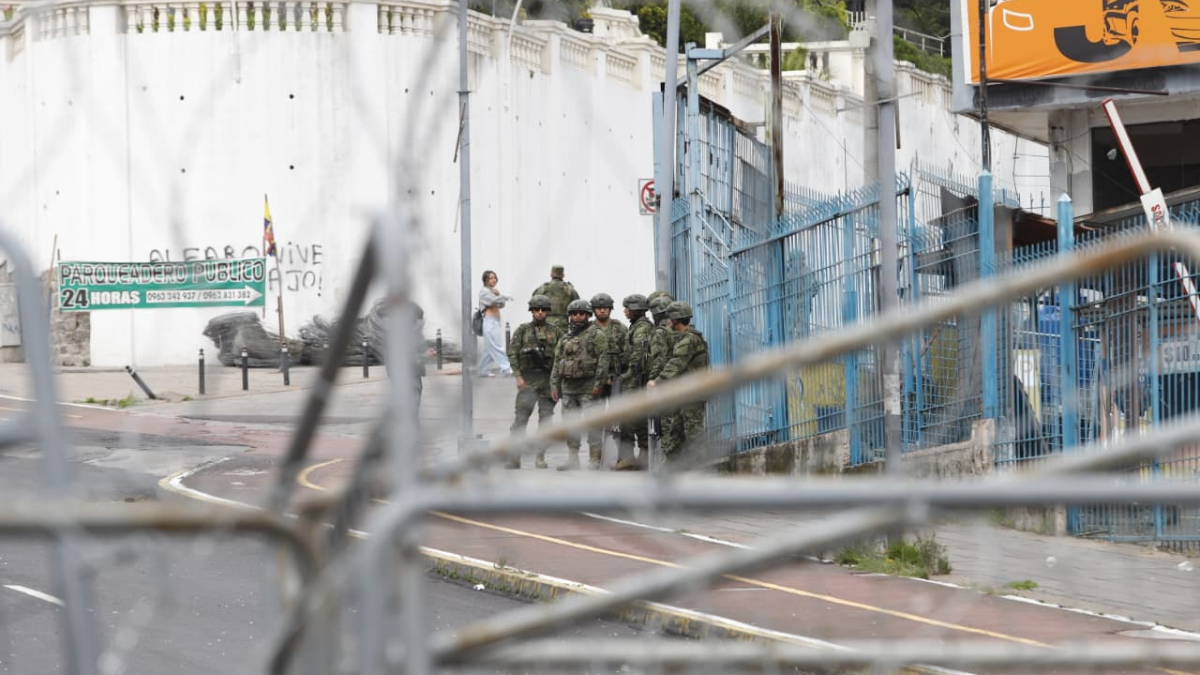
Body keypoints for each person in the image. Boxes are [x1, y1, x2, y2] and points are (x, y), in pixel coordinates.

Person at [549, 299, 611, 471]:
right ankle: (573, 459)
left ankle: (594, 459)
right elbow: (557, 363)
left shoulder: (596, 335)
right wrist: (554, 385)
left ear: (587, 315)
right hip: (569, 389)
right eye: (574, 314)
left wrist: (599, 383)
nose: (577, 317)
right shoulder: (564, 338)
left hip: (589, 388)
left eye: (581, 313)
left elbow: (604, 361)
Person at [505, 294, 564, 469]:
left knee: (546, 422)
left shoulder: (556, 332)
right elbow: (513, 353)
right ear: (531, 311)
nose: (539, 313)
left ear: (547, 312)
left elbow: (561, 357)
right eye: (536, 310)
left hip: (547, 383)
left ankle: (540, 456)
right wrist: (518, 376)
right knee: (520, 420)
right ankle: (514, 457)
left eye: (543, 310)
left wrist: (556, 383)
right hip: (528, 382)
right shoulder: (523, 330)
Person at [647, 301, 709, 465]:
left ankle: (700, 469)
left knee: (693, 433)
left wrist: (657, 381)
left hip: (693, 394)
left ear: (675, 319)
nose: (667, 321)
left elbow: (676, 363)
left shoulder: (689, 340)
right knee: (676, 430)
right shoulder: (687, 337)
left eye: (670, 318)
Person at [614, 294, 653, 471]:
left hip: (635, 380)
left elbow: (638, 354)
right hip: (634, 378)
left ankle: (639, 457)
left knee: (633, 419)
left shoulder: (642, 328)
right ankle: (631, 457)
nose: (625, 311)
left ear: (635, 309)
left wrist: (628, 374)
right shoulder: (636, 327)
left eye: (627, 308)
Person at [589, 292, 626, 398]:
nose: (602, 310)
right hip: (595, 378)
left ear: (610, 309)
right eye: (598, 308)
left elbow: (628, 350)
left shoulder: (620, 328)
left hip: (616, 376)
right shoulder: (588, 329)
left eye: (605, 307)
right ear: (593, 310)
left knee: (616, 411)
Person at [477, 269, 513, 377]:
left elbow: (501, 305)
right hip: (489, 322)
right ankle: (506, 368)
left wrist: (499, 295)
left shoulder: (494, 291)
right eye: (491, 278)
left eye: (494, 278)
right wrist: (502, 297)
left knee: (489, 349)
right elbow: (492, 301)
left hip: (495, 322)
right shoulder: (484, 291)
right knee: (496, 346)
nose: (493, 280)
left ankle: (483, 371)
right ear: (485, 280)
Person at [531, 264, 580, 331]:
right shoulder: (569, 289)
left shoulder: (543, 288)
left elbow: (533, 303)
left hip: (544, 322)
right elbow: (578, 307)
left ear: (551, 274)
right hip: (563, 324)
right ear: (563, 275)